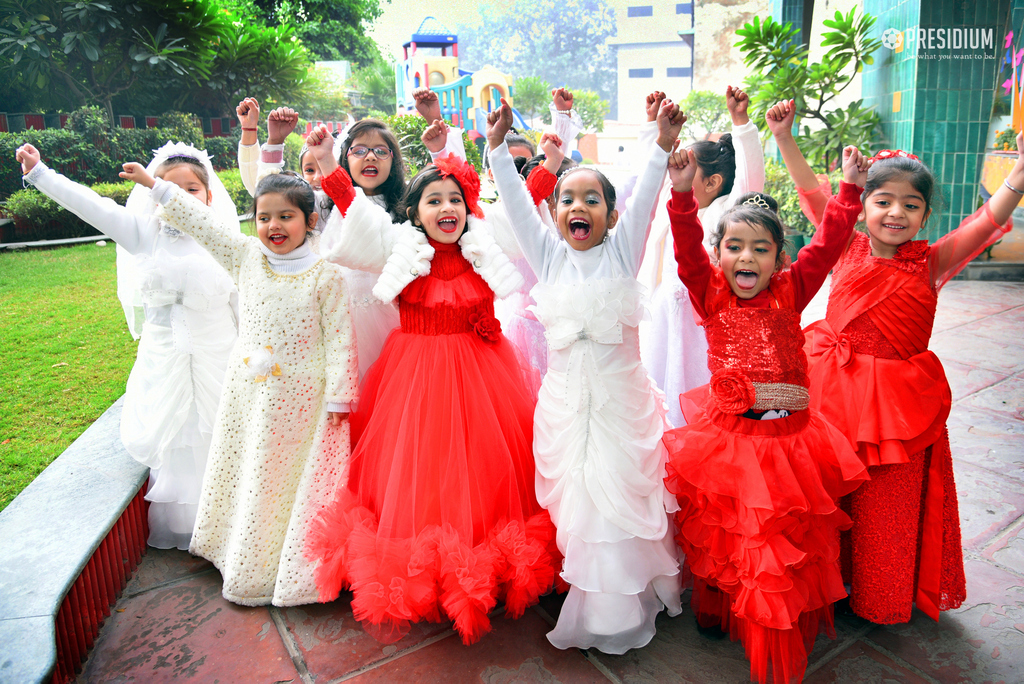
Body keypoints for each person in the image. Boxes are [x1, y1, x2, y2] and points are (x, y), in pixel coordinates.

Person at [305, 124, 561, 646]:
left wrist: (548, 169)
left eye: (455, 200)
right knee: (418, 468)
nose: (447, 208)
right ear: (414, 212)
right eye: (433, 200)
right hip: (414, 380)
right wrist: (329, 166)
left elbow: (519, 224)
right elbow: (360, 216)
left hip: (484, 376)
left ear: (468, 209)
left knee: (483, 466)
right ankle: (420, 567)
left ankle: (480, 560)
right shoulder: (398, 246)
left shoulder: (481, 246)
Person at [662, 143, 871, 683]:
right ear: (719, 254)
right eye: (735, 247)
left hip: (789, 444)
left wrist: (849, 191)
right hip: (729, 441)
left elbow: (826, 246)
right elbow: (685, 249)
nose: (747, 259)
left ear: (780, 258)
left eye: (761, 248)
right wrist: (681, 193)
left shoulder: (791, 291)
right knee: (729, 532)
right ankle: (716, 606)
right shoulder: (709, 293)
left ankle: (774, 635)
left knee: (777, 544)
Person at [488, 96, 685, 654]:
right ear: (555, 215)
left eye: (592, 199)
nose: (579, 206)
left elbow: (648, 198)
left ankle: (620, 604)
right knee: (580, 505)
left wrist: (663, 146)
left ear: (611, 215)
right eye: (567, 199)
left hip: (622, 408)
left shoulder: (623, 252)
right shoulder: (549, 259)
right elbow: (518, 209)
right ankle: (593, 591)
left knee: (622, 501)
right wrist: (498, 149)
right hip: (567, 408)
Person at [803, 130, 1022, 625]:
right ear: (861, 206)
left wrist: (1017, 177)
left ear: (925, 216)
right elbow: (814, 199)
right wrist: (781, 137)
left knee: (888, 505)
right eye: (883, 200)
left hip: (897, 409)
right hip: (834, 394)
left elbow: (987, 221)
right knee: (828, 493)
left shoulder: (933, 261)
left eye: (911, 204)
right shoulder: (843, 246)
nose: (896, 213)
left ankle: (880, 595)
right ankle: (828, 586)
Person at [121, 163, 358, 607]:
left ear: (310, 221)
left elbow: (342, 338)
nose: (273, 226)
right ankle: (244, 558)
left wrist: (340, 395)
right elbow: (202, 223)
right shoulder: (246, 256)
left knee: (291, 482)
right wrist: (156, 188)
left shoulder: (327, 275)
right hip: (250, 396)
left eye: (286, 216)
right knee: (254, 473)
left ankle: (289, 568)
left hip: (304, 404)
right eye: (263, 217)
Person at [16, 141, 238, 551]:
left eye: (193, 189)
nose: (182, 196)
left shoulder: (223, 237)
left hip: (219, 350)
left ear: (209, 195)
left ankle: (233, 520)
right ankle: (190, 525)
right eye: (168, 186)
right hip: (166, 354)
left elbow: (243, 300)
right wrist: (40, 173)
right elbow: (93, 206)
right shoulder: (142, 234)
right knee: (181, 437)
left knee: (223, 431)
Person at [237, 98, 400, 379]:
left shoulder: (405, 206)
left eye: (380, 151)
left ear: (393, 160)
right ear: (343, 159)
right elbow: (271, 195)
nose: (370, 157)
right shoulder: (326, 206)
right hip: (335, 318)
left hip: (392, 319)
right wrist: (273, 142)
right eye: (359, 150)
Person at [640, 86, 766, 427]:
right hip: (666, 321)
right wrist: (654, 128)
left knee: (702, 404)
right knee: (662, 400)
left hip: (705, 328)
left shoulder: (727, 215)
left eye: (686, 167)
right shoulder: (671, 210)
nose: (675, 172)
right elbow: (643, 189)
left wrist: (741, 125)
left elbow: (751, 182)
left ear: (712, 183)